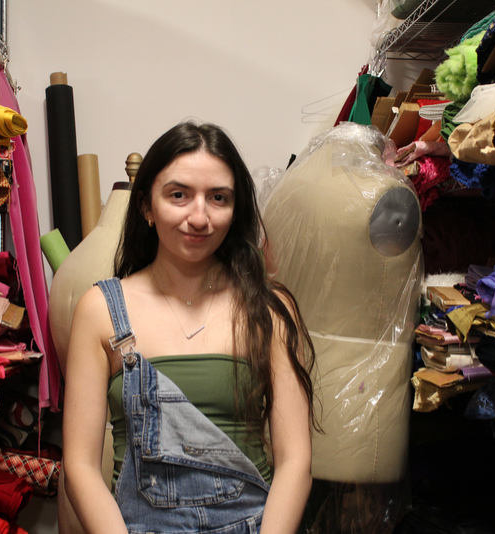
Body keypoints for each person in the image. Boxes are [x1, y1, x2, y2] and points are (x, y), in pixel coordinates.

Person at [62, 120, 317, 533]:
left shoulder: (269, 308)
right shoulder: (101, 310)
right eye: (178, 195)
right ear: (146, 206)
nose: (199, 217)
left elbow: (295, 462)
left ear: (235, 212)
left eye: (218, 198)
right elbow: (79, 466)